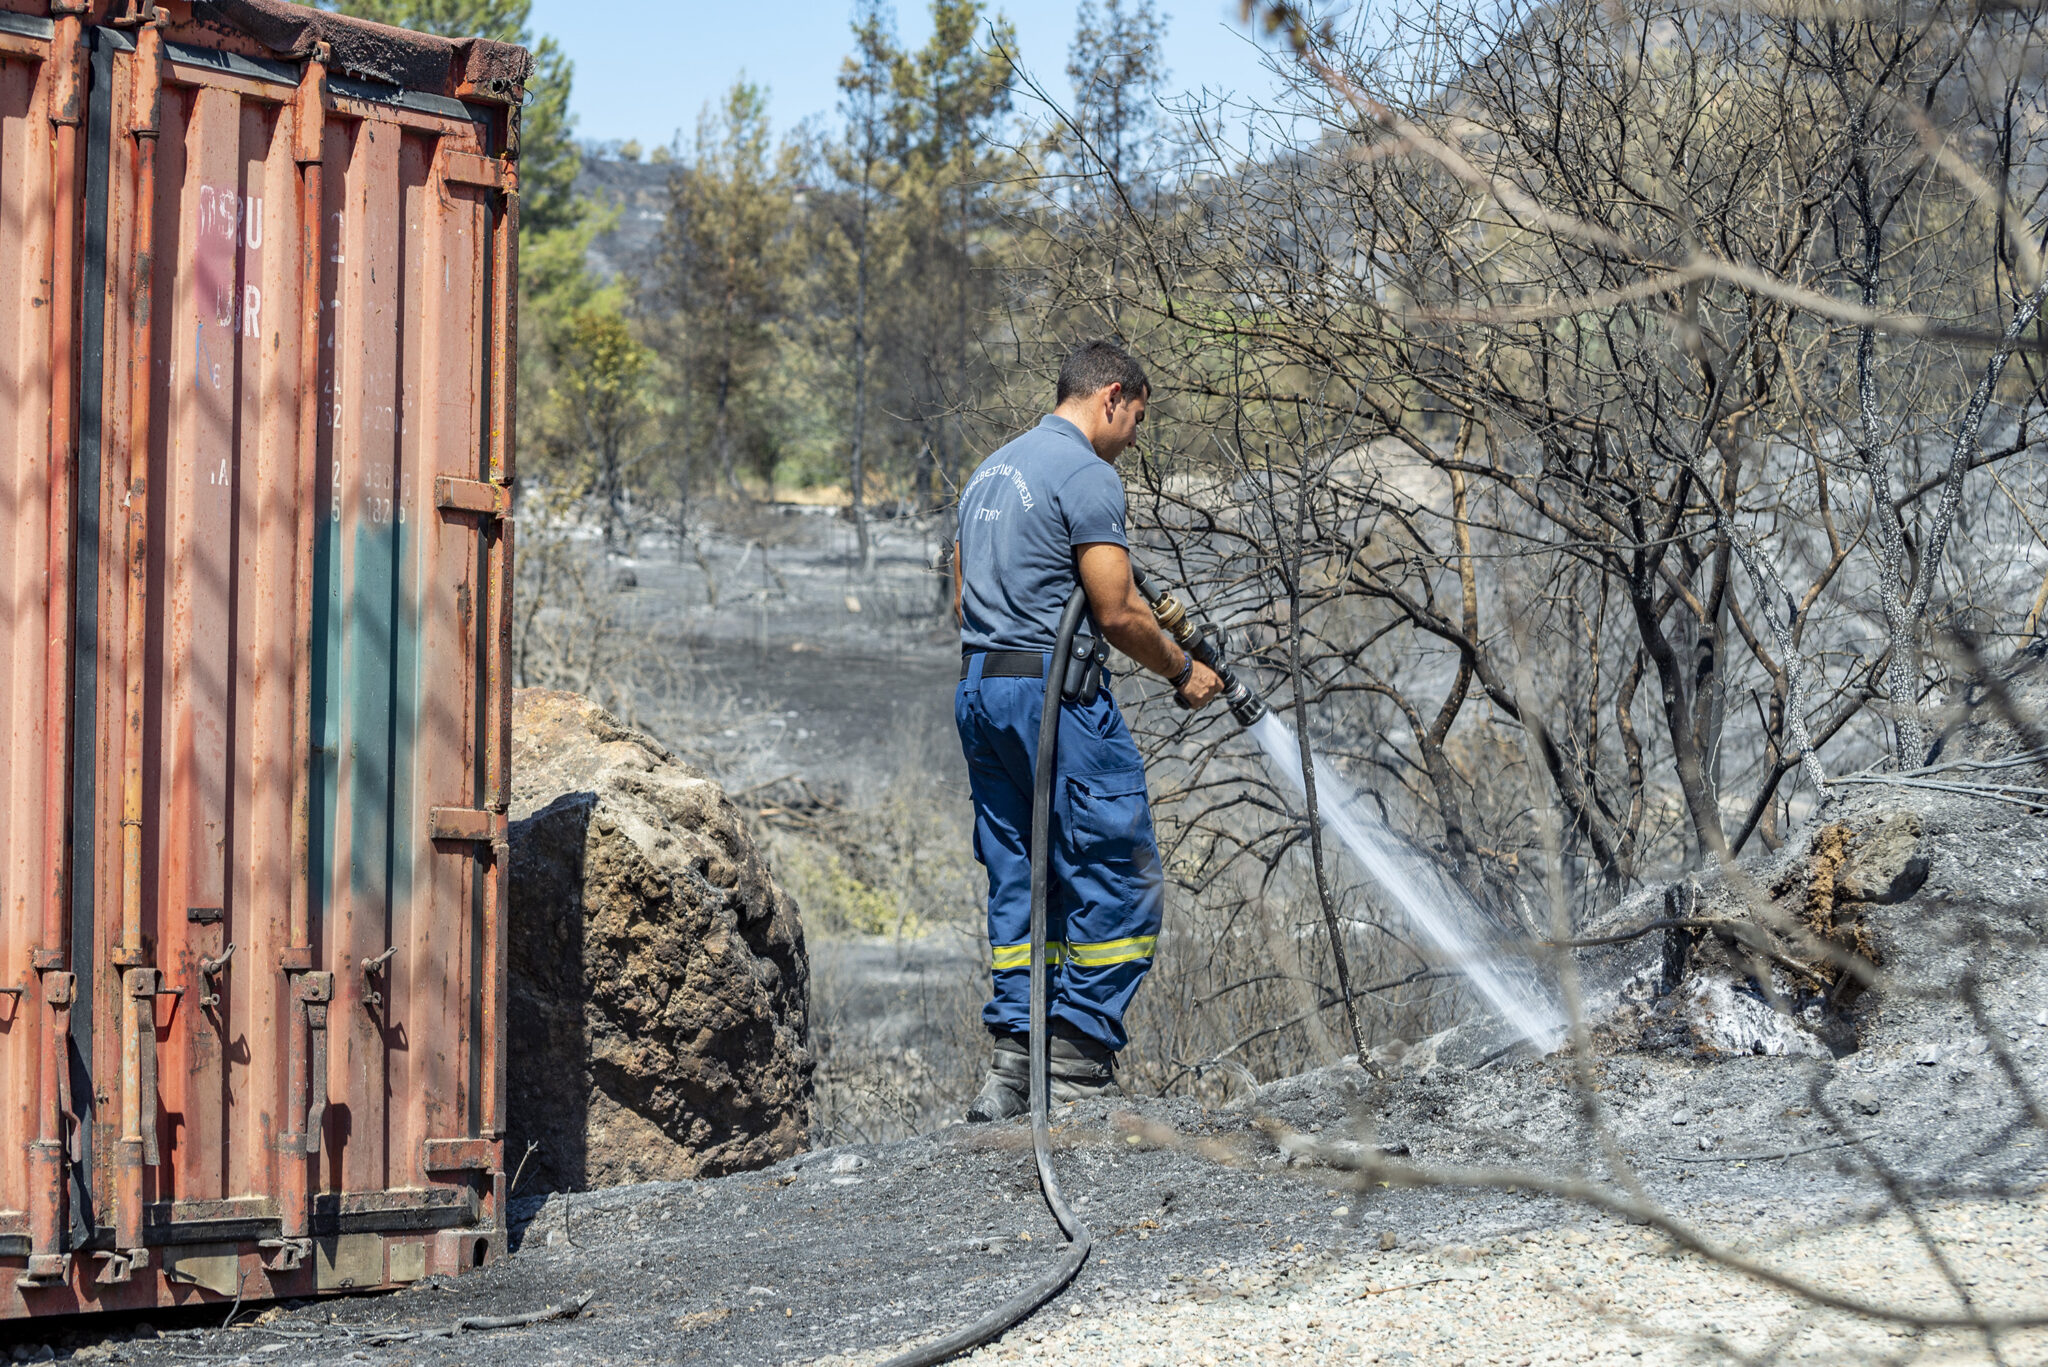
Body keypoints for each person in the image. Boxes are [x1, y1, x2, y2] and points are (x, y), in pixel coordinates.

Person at [951, 339, 1222, 1122]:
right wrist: (1181, 670)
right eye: (1136, 417)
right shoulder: (1086, 474)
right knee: (1117, 870)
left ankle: (1014, 1066)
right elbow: (1117, 611)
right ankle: (1073, 1068)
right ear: (1111, 397)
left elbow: (964, 602)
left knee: (1023, 876)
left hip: (980, 691)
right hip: (1051, 700)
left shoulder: (989, 471)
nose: (1134, 438)